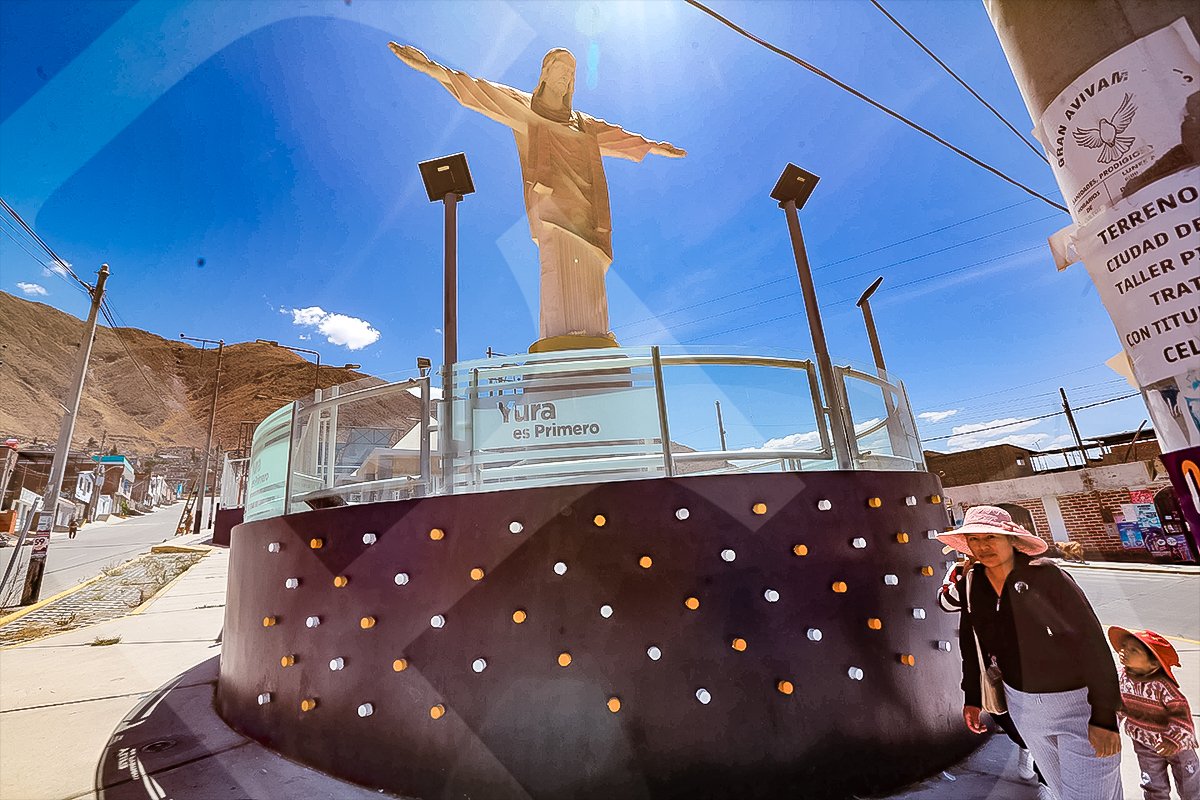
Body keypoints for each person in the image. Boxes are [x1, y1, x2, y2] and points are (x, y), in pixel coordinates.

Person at [939, 505, 1123, 800]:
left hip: (1076, 703)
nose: (983, 546)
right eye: (974, 539)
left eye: (991, 537)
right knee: (1062, 794)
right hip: (1022, 707)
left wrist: (1104, 716)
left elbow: (1090, 642)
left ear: (1011, 539)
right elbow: (972, 644)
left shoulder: (1046, 575)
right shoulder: (973, 583)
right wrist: (972, 696)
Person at [938, 552, 1045, 787]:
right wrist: (964, 574)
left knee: (1041, 726)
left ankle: (1044, 771)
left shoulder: (1030, 571)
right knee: (1000, 710)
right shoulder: (967, 576)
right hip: (994, 668)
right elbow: (945, 601)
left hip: (1032, 667)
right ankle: (1026, 745)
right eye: (973, 542)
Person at [1109, 626, 1199, 799]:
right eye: (1124, 646)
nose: (1124, 651)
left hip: (1174, 744)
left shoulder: (1163, 687)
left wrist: (1173, 740)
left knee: (1189, 781)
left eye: (1133, 650)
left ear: (1154, 663)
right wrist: (1110, 727)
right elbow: (1117, 706)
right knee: (1152, 782)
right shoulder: (1121, 679)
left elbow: (1181, 715)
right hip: (1144, 742)